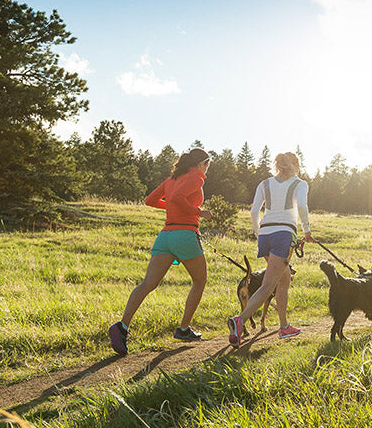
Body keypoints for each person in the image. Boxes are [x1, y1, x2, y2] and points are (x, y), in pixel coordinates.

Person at [108, 148, 212, 356]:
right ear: (201, 164)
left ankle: (122, 327)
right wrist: (199, 212)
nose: (207, 169)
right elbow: (177, 199)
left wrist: (175, 208)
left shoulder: (171, 179)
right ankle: (184, 329)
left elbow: (151, 201)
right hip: (185, 234)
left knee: (148, 284)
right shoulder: (196, 178)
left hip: (165, 236)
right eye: (207, 165)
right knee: (200, 281)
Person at [228, 151, 311, 345]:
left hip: (265, 234)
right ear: (296, 165)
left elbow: (254, 211)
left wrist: (259, 234)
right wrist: (307, 230)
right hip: (283, 235)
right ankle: (239, 321)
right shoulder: (300, 184)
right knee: (268, 285)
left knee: (283, 280)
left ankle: (284, 326)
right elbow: (302, 207)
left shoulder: (264, 183)